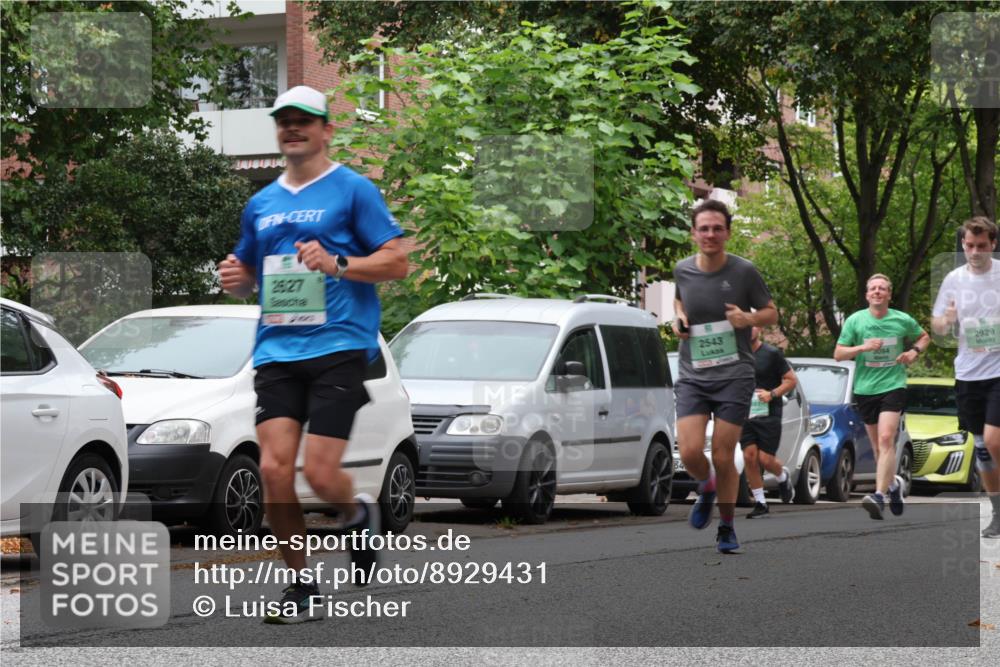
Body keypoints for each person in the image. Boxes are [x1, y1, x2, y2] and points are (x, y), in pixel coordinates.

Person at [219, 85, 408, 623]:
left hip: (339, 346)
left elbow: (396, 263)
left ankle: (357, 511)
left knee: (322, 476)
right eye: (285, 121)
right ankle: (302, 586)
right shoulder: (261, 203)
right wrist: (235, 279)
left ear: (327, 129)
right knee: (275, 472)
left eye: (305, 120)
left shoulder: (353, 191)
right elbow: (250, 277)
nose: (293, 128)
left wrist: (338, 264)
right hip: (276, 350)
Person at [672, 199, 779, 553]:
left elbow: (770, 313)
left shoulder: (744, 271)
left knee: (722, 453)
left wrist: (747, 320)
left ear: (728, 233)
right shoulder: (682, 270)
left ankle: (727, 527)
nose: (711, 234)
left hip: (734, 374)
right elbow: (679, 301)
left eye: (718, 228)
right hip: (693, 372)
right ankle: (706, 485)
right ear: (693, 233)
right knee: (688, 451)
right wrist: (678, 319)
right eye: (704, 228)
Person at [834, 274, 930, 521]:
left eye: (882, 289)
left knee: (887, 439)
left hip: (893, 385)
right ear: (867, 295)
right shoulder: (856, 321)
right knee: (878, 448)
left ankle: (879, 495)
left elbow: (924, 336)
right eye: (873, 288)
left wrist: (913, 352)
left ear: (889, 294)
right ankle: (894, 485)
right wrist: (862, 348)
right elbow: (838, 354)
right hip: (866, 389)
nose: (877, 291)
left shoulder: (901, 319)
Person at [931, 216, 1000, 538]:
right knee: (983, 448)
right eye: (970, 246)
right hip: (968, 373)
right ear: (963, 245)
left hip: (998, 371)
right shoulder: (954, 279)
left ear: (993, 245)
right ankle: (997, 511)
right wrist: (947, 318)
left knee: (994, 440)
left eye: (981, 246)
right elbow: (938, 327)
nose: (975, 252)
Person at [741, 326, 798, 518]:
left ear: (758, 328)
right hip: (744, 414)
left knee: (765, 459)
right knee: (749, 456)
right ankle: (760, 503)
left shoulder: (771, 353)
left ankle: (782, 476)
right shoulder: (735, 355)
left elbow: (791, 380)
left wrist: (771, 394)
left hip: (769, 413)